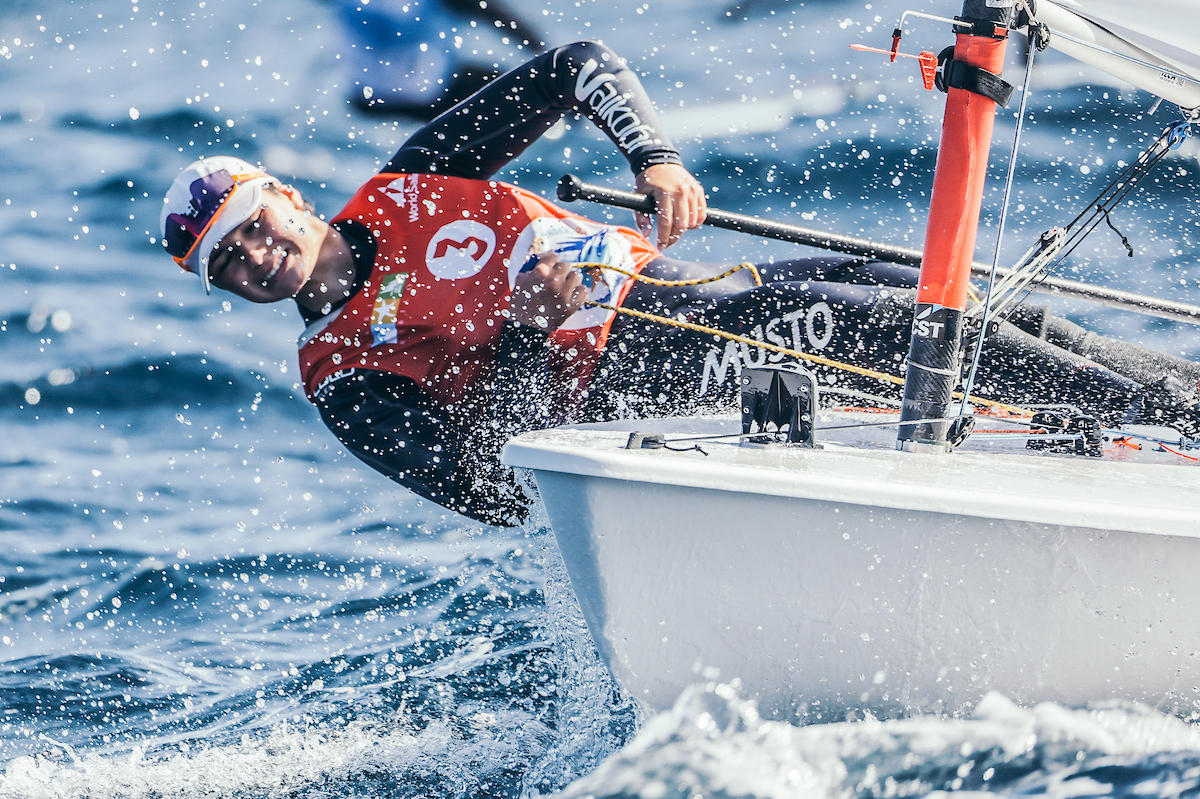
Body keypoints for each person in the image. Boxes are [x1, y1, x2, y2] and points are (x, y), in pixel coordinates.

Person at [161, 40, 1200, 526]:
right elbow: (496, 494)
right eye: (227, 265)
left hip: (685, 295)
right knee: (879, 322)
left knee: (942, 296)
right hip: (629, 389)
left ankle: (1173, 395)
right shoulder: (345, 376)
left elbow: (574, 62)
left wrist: (650, 155)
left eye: (250, 227)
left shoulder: (408, 186)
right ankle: (1172, 412)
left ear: (285, 195)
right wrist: (526, 335)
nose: (254, 258)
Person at [334, 0, 544, 119]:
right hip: (431, 98)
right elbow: (498, 15)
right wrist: (541, 51)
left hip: (365, 102)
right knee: (529, 86)